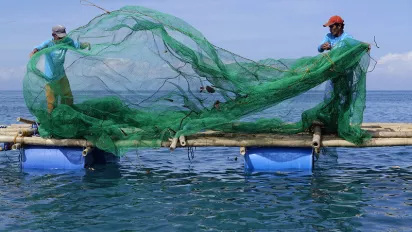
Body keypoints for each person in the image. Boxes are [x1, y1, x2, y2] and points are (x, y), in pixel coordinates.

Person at [29, 25, 91, 113]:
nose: (62, 38)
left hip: (61, 75)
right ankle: (51, 120)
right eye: (60, 36)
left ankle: (66, 115)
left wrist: (84, 45)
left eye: (63, 36)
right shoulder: (48, 43)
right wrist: (34, 51)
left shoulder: (67, 41)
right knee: (52, 102)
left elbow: (76, 45)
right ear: (53, 35)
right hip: (50, 78)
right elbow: (39, 47)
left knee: (67, 97)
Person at [317, 16, 353, 100]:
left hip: (345, 72)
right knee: (328, 97)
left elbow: (343, 48)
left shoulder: (347, 37)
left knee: (343, 98)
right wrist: (322, 46)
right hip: (332, 72)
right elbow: (319, 49)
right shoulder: (328, 36)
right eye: (329, 27)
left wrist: (331, 47)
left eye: (331, 26)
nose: (330, 29)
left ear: (339, 26)